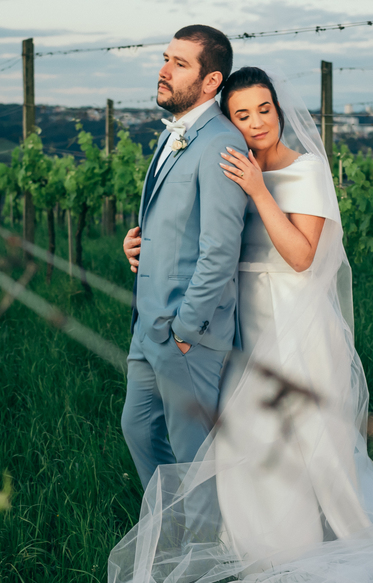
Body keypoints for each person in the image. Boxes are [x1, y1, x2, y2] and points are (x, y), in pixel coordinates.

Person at [108, 66, 373, 583]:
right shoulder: (231, 162)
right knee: (246, 441)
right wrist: (145, 247)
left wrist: (259, 191)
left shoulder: (304, 169)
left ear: (279, 108)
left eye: (263, 110)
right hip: (242, 322)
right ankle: (256, 549)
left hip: (293, 325)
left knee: (305, 448)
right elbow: (206, 240)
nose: (254, 124)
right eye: (241, 114)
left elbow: (301, 257)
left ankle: (308, 553)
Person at [120, 25, 248, 489]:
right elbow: (173, 224)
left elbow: (220, 248)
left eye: (179, 63)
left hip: (185, 333)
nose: (163, 70)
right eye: (165, 59)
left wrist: (186, 330)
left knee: (194, 454)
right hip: (147, 324)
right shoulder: (169, 136)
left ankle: (208, 550)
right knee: (136, 429)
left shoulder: (222, 143)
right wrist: (138, 244)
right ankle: (172, 532)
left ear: (210, 81)